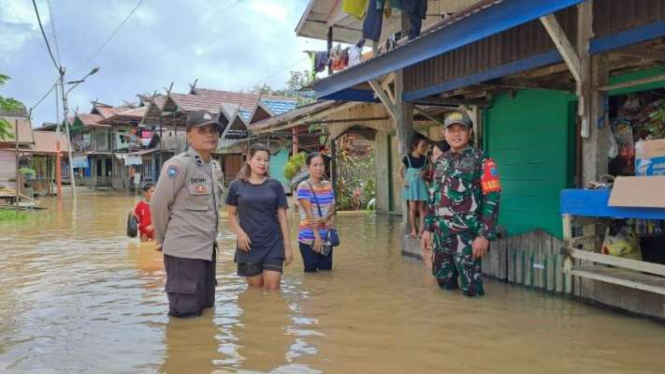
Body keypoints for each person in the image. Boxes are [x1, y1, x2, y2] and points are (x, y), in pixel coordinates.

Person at [151, 110, 223, 317]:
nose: (210, 135)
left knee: (207, 309)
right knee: (185, 316)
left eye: (213, 130)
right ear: (188, 135)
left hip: (207, 251)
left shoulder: (214, 167)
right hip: (184, 253)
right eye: (202, 130)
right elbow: (158, 204)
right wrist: (165, 239)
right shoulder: (179, 165)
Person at [421, 111, 501, 297]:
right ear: (444, 133)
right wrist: (427, 228)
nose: (456, 134)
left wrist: (484, 235)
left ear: (470, 132)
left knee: (471, 290)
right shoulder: (440, 161)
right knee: (444, 286)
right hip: (441, 236)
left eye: (461, 130)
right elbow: (433, 196)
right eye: (452, 130)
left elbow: (493, 198)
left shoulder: (483, 160)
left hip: (467, 237)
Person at [226, 144, 294, 290]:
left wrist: (287, 246)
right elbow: (231, 215)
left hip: (273, 243)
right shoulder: (236, 186)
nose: (263, 163)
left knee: (273, 289)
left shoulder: (275, 185)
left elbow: (283, 218)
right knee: (255, 290)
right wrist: (240, 234)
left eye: (266, 160)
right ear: (249, 159)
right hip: (248, 244)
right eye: (259, 159)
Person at [297, 152, 337, 273]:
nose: (319, 168)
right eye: (315, 165)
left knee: (326, 272)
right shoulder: (304, 186)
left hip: (326, 237)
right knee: (311, 274)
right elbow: (309, 213)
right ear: (308, 167)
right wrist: (317, 236)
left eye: (321, 165)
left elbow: (333, 208)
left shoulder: (328, 185)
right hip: (309, 237)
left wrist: (327, 220)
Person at [399, 133, 429, 238]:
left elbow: (427, 170)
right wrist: (403, 182)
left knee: (422, 209)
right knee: (412, 209)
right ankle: (413, 230)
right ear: (414, 146)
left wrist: (424, 173)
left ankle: (421, 230)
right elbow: (399, 172)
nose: (425, 148)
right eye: (422, 146)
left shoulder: (425, 159)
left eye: (426, 146)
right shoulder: (407, 158)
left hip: (420, 186)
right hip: (411, 187)